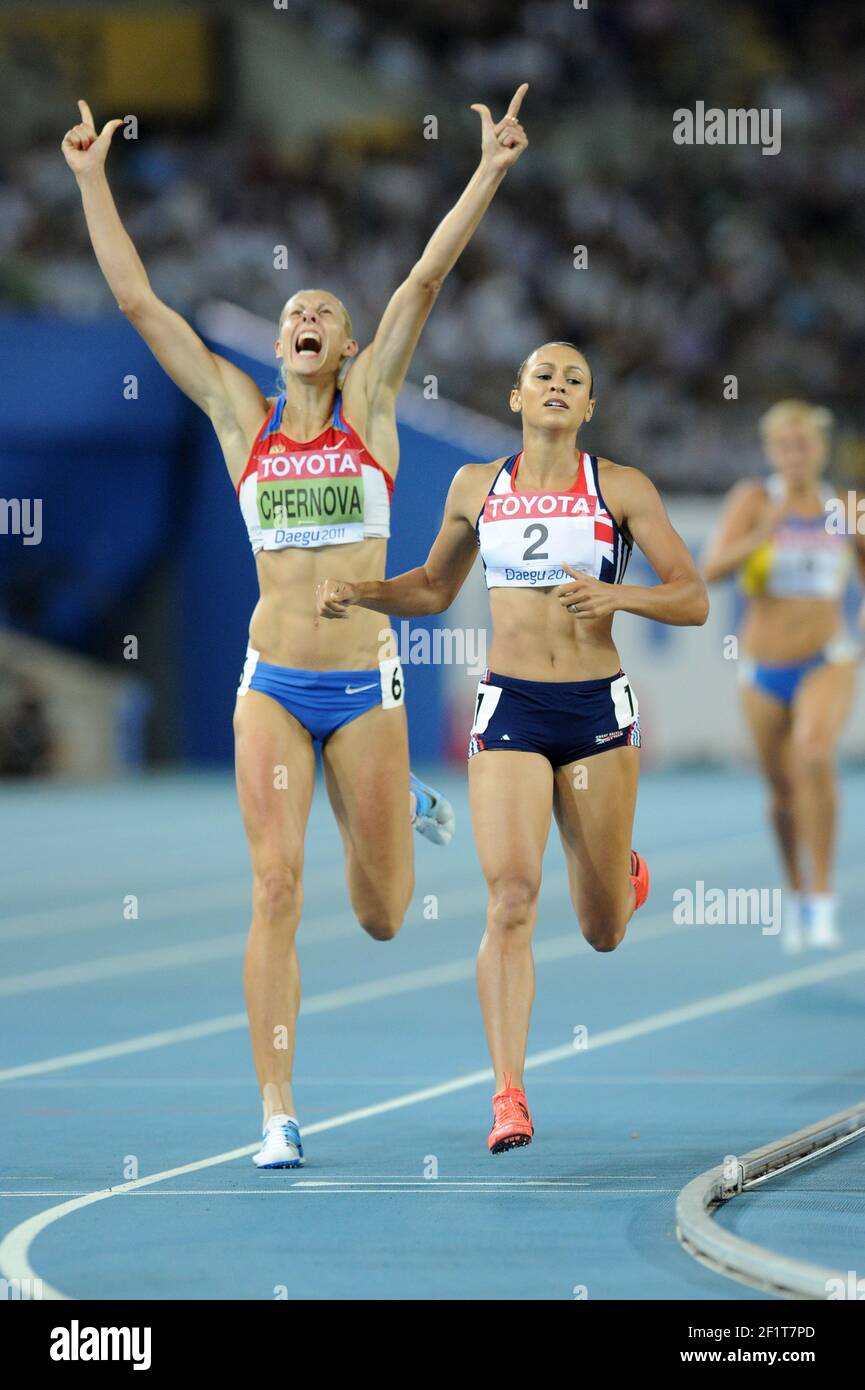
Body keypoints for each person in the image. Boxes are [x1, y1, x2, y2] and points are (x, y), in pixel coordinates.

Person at [62, 85, 529, 1168]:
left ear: (350, 341)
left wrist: (490, 168)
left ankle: (387, 798)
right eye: (291, 315)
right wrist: (92, 182)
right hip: (271, 679)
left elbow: (425, 274)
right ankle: (275, 1107)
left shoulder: (371, 410)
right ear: (276, 347)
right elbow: (143, 307)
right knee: (275, 885)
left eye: (323, 312)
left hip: (364, 685)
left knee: (378, 914)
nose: (305, 320)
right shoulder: (241, 419)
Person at [317, 341, 709, 1152]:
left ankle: (620, 875)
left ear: (589, 407)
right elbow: (431, 587)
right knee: (511, 897)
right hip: (511, 711)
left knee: (601, 928)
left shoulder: (620, 487)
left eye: (575, 380)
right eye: (544, 377)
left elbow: (693, 598)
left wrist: (615, 594)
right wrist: (362, 592)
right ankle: (508, 1095)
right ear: (516, 398)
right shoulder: (475, 486)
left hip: (596, 711)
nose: (559, 387)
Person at [702, 400, 864, 952]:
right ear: (772, 451)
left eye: (807, 444)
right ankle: (796, 891)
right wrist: (760, 537)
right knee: (781, 793)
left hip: (829, 657)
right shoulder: (754, 499)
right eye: (786, 445)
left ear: (823, 449)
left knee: (816, 754)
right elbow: (711, 571)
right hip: (763, 667)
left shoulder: (846, 505)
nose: (797, 455)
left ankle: (822, 894)